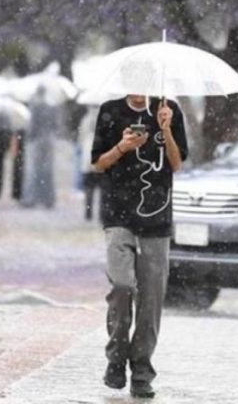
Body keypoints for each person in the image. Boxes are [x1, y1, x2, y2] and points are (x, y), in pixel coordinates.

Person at [91, 94, 187, 399]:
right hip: (118, 215)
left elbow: (176, 164)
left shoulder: (168, 109)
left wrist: (166, 130)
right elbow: (98, 164)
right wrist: (122, 147)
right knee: (122, 286)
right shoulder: (110, 111)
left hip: (157, 220)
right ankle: (116, 358)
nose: (137, 90)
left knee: (151, 299)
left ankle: (142, 370)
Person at [22, 87, 57, 209]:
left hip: (37, 141)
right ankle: (48, 199)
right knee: (47, 171)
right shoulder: (51, 106)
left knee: (34, 170)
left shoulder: (35, 106)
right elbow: (55, 125)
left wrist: (29, 138)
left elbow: (32, 126)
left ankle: (31, 199)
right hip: (49, 140)